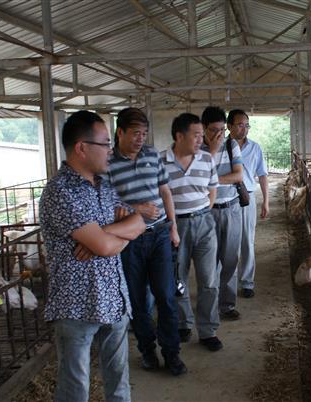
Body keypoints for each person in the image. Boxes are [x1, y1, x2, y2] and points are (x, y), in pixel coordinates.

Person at [39, 110, 146, 402]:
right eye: (105, 143)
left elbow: (140, 222)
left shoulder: (106, 186)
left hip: (113, 296)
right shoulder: (60, 192)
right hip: (76, 304)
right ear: (81, 148)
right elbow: (106, 247)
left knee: (119, 384)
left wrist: (106, 233)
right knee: (75, 389)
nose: (111, 150)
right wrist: (114, 237)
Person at [106, 107, 186, 375]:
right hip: (129, 240)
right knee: (139, 299)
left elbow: (165, 191)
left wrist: (173, 227)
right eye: (135, 133)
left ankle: (172, 353)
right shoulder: (107, 163)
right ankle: (148, 351)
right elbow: (105, 204)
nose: (140, 139)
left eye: (144, 133)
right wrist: (136, 208)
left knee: (166, 295)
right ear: (120, 132)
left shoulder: (152, 155)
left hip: (159, 233)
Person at [162, 113, 223, 351]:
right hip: (175, 226)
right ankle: (183, 323)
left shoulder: (206, 159)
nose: (201, 139)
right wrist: (172, 223)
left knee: (209, 280)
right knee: (178, 278)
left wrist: (202, 213)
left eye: (201, 135)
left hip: (204, 223)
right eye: (196, 135)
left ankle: (208, 330)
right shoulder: (160, 161)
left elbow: (212, 189)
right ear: (179, 136)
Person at [200, 106, 244, 320]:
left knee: (230, 259)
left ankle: (227, 305)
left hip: (230, 208)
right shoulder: (197, 149)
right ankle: (209, 307)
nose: (218, 135)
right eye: (213, 130)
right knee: (208, 262)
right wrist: (212, 151)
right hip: (206, 211)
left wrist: (211, 180)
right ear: (203, 128)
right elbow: (196, 176)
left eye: (221, 130)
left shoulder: (231, 145)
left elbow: (238, 176)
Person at [227, 109, 269, 298]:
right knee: (228, 243)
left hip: (247, 197)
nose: (244, 129)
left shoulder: (255, 148)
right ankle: (228, 282)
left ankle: (247, 282)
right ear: (229, 126)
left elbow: (262, 175)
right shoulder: (222, 147)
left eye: (247, 125)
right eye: (240, 125)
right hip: (226, 199)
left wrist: (266, 201)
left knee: (247, 240)